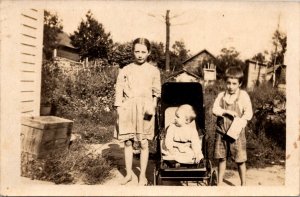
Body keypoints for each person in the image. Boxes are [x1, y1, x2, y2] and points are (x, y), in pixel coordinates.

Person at [114, 38, 161, 186]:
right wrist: (119, 108)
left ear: (149, 52)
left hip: (145, 109)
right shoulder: (125, 70)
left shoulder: (153, 71)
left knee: (143, 143)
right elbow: (118, 91)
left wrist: (152, 107)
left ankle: (142, 176)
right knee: (128, 142)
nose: (140, 55)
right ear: (133, 51)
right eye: (137, 51)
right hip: (128, 108)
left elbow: (156, 92)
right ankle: (128, 174)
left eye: (143, 52)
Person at [212, 66, 253, 186]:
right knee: (221, 158)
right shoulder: (221, 95)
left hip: (236, 133)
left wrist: (240, 124)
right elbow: (215, 109)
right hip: (221, 131)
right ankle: (219, 183)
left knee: (240, 159)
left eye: (234, 83)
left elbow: (248, 113)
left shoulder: (243, 96)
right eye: (228, 83)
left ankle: (243, 184)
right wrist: (227, 112)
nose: (230, 86)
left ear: (240, 83)